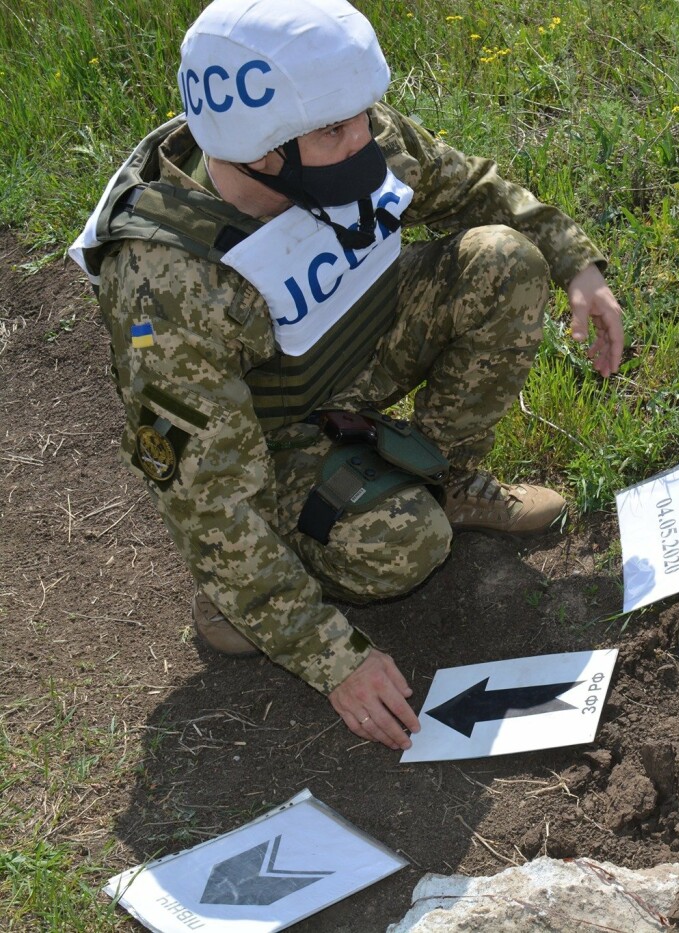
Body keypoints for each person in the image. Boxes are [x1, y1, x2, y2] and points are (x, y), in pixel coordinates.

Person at [68, 0, 623, 752]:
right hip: (268, 437)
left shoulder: (335, 133)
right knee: (403, 544)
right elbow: (209, 499)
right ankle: (238, 600)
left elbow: (470, 187)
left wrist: (575, 262)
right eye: (338, 128)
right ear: (262, 150)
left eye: (359, 114)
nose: (366, 135)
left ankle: (447, 475)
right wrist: (333, 658)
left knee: (505, 262)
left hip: (357, 351)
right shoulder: (168, 285)